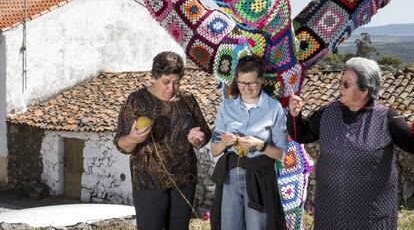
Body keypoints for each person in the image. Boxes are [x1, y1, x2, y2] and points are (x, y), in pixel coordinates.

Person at [287, 57, 414, 230]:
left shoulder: (386, 117)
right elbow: (302, 135)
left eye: (346, 84)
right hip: (331, 211)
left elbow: (411, 143)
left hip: (370, 216)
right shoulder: (328, 112)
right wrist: (294, 115)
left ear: (364, 91)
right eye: (341, 82)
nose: (340, 87)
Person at [114, 51, 211, 230]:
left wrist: (198, 138)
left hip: (184, 180)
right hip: (148, 181)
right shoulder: (137, 100)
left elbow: (204, 132)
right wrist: (133, 138)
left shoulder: (188, 100)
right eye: (166, 82)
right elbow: (121, 144)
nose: (171, 88)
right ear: (155, 77)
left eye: (176, 82)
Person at [210, 55, 288, 230]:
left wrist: (260, 145)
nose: (247, 88)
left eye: (252, 83)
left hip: (259, 178)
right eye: (242, 83)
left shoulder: (274, 108)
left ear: (261, 80)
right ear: (236, 81)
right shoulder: (227, 106)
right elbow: (214, 150)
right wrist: (224, 143)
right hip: (230, 177)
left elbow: (281, 154)